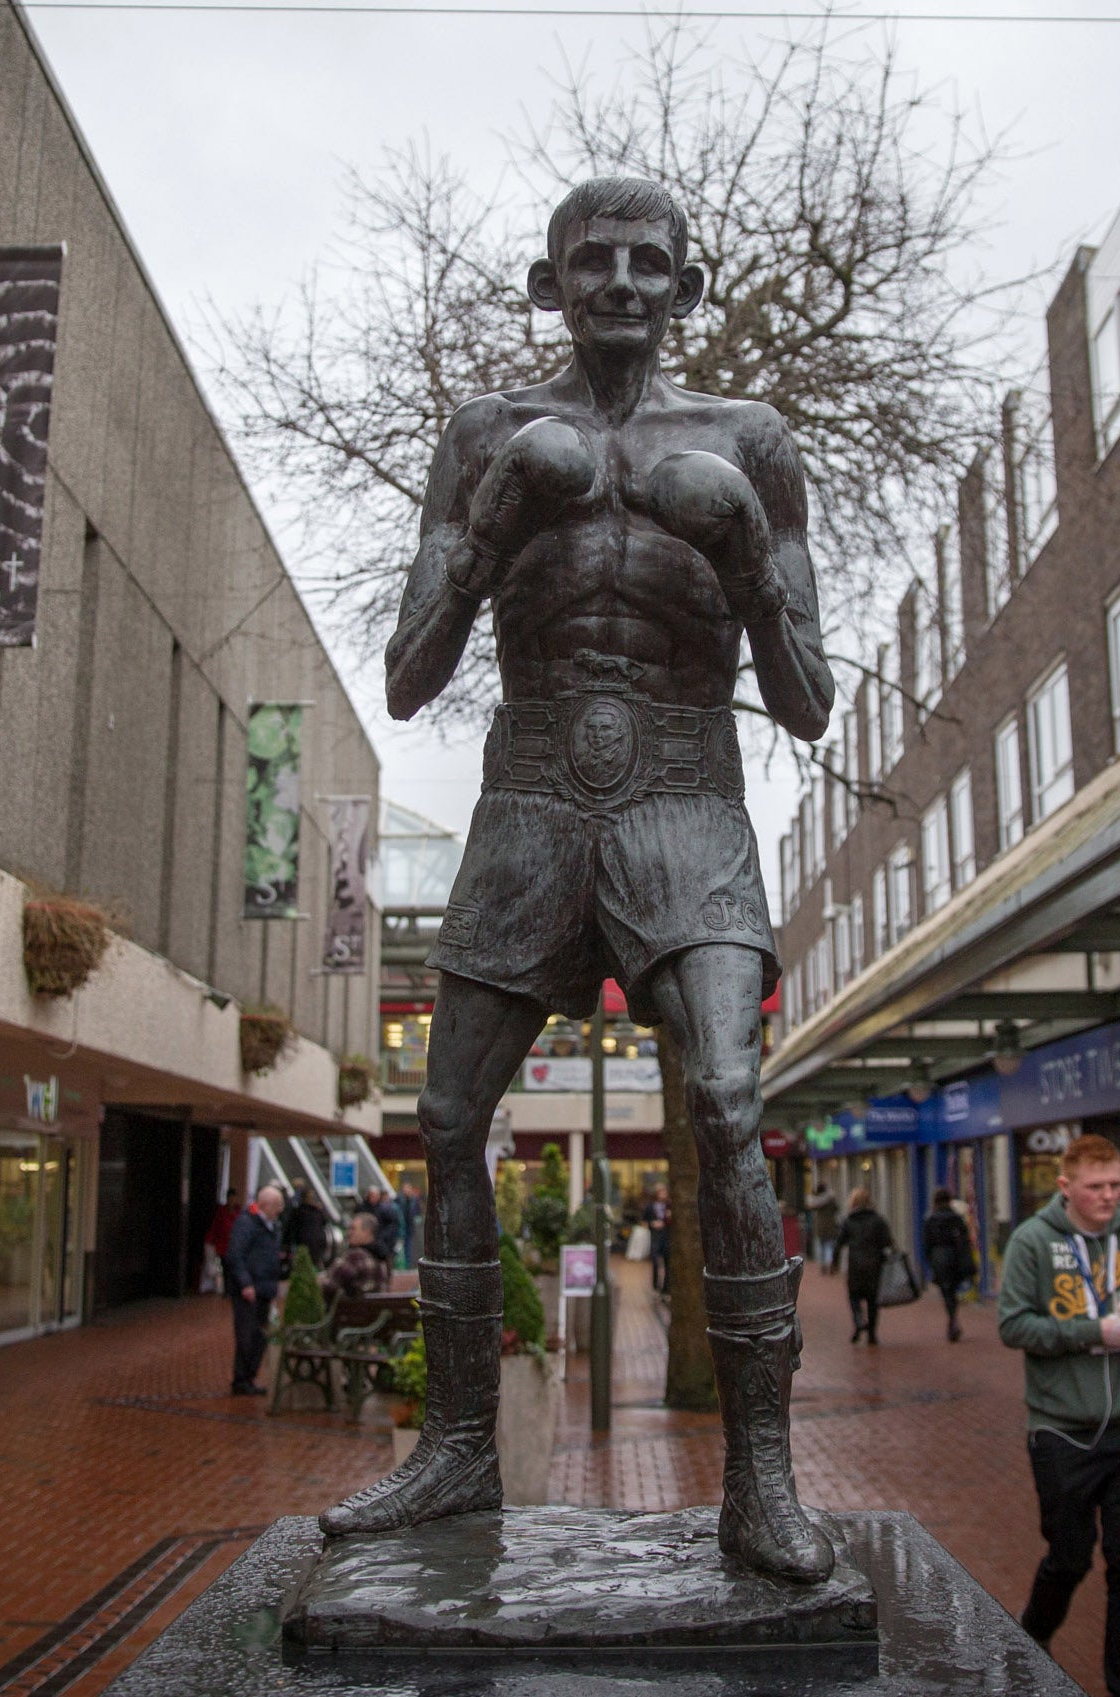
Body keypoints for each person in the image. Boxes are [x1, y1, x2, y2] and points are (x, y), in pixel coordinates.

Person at [320, 177, 839, 1586]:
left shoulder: (751, 443)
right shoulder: (488, 432)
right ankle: (457, 1448)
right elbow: (411, 671)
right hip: (534, 781)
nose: (619, 279)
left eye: (647, 261)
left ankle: (762, 1484)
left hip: (684, 785)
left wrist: (740, 549)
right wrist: (492, 520)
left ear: (685, 283)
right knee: (442, 1108)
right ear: (549, 285)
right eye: (590, 260)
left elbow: (805, 704)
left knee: (728, 1098)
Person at [998, 1134, 1120, 1697]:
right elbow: (1013, 1325)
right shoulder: (1032, 1242)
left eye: (1116, 1186)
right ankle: (1034, 1630)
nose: (1107, 1196)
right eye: (1095, 1187)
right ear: (1066, 1186)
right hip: (1059, 1430)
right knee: (1070, 1557)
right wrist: (1090, 1332)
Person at [224, 1184, 287, 1396]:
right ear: (265, 1205)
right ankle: (241, 1378)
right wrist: (245, 1283)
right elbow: (235, 1254)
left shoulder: (273, 1226)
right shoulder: (246, 1223)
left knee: (259, 1334)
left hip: (265, 1288)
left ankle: (249, 1377)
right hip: (250, 1289)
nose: (281, 1209)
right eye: (277, 1205)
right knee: (246, 1334)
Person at [834, 1187, 895, 1345]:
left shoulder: (849, 1221)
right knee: (872, 1300)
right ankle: (872, 1334)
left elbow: (839, 1243)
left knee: (854, 1296)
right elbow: (888, 1241)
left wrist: (834, 1263)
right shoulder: (878, 1220)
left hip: (855, 1265)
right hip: (875, 1265)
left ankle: (859, 1320)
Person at [922, 1186, 976, 1342]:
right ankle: (953, 1319)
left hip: (939, 1258)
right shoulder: (956, 1218)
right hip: (955, 1257)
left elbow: (926, 1244)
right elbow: (965, 1240)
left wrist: (930, 1261)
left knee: (946, 1291)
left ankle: (952, 1318)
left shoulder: (931, 1219)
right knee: (952, 1289)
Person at [322, 1212, 393, 1302]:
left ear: (367, 1232)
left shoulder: (354, 1257)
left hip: (349, 1314)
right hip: (376, 1313)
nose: (348, 1233)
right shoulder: (383, 1258)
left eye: (353, 1229)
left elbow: (329, 1286)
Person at [285, 1180, 333, 1270]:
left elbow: (290, 1229)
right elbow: (325, 1221)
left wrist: (286, 1243)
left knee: (302, 1265)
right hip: (318, 1241)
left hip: (302, 1242)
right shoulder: (317, 1211)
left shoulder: (298, 1212)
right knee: (315, 1264)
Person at [203, 1187, 241, 1295]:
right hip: (223, 1245)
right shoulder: (221, 1212)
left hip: (234, 1245)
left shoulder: (238, 1212)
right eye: (230, 1198)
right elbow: (216, 1227)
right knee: (225, 1267)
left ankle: (231, 1288)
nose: (231, 1200)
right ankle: (227, 1290)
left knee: (232, 1267)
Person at [808, 1180, 841, 1275]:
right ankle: (830, 1264)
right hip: (831, 1226)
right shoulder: (831, 1199)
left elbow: (810, 1206)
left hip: (820, 1226)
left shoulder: (815, 1201)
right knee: (829, 1247)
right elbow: (837, 1209)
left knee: (822, 1247)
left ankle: (823, 1265)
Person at [645, 1187, 671, 1292]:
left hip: (666, 1236)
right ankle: (655, 1285)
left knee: (667, 1261)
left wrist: (666, 1221)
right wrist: (653, 1224)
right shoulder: (650, 1206)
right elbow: (644, 1220)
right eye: (661, 1192)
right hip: (655, 1236)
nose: (663, 1194)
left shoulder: (669, 1206)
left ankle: (665, 1287)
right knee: (655, 1260)